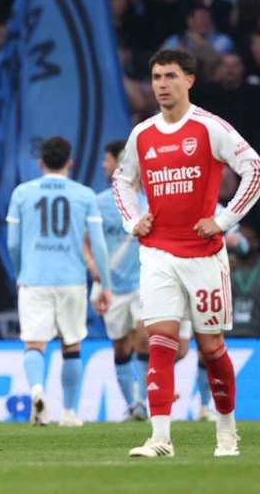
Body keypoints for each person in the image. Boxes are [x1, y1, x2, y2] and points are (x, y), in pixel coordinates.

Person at [113, 48, 260, 458]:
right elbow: (121, 180)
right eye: (156, 77)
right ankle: (160, 438)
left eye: (170, 76)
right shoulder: (142, 134)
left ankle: (226, 433)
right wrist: (134, 221)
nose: (162, 85)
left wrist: (224, 220)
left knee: (211, 348)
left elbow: (258, 170)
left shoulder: (209, 128)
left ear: (190, 80)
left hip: (203, 256)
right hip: (158, 253)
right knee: (160, 339)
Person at [6, 136, 113, 428]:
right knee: (71, 345)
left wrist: (19, 271)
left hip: (34, 278)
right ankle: (68, 412)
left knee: (34, 344)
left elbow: (13, 243)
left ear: (40, 163)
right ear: (70, 162)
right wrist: (104, 283)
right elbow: (100, 246)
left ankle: (38, 392)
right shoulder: (85, 195)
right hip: (71, 280)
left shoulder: (22, 194)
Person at [89, 140, 148, 421]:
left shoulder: (149, 201)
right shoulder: (99, 203)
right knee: (121, 346)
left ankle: (146, 401)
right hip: (112, 286)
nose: (104, 165)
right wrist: (94, 269)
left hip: (143, 282)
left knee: (144, 338)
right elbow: (84, 242)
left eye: (107, 160)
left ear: (120, 163)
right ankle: (133, 404)